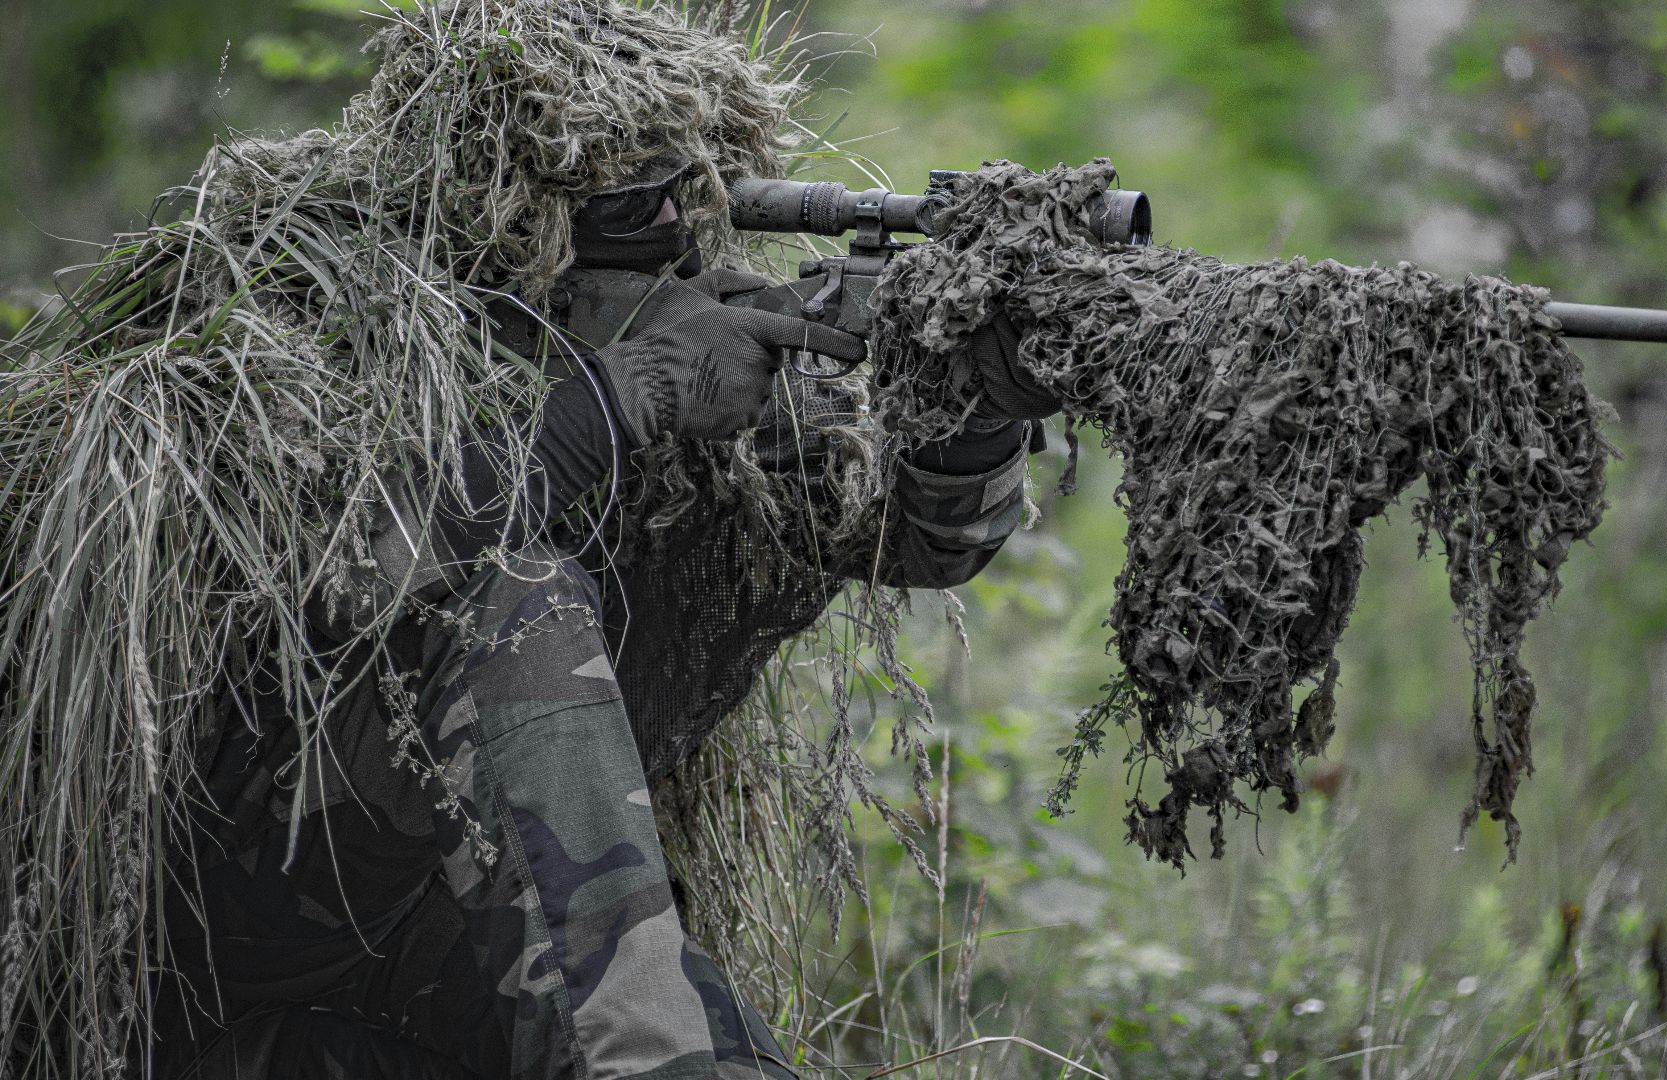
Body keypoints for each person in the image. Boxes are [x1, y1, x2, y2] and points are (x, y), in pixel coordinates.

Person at [150, 142, 1060, 1079]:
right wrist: (622, 397)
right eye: (622, 202)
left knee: (719, 1055)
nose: (669, 224)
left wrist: (970, 410)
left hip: (424, 928)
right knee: (516, 592)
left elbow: (916, 542)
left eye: (685, 195)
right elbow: (348, 579)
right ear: (507, 219)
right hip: (219, 929)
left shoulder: (712, 331)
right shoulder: (346, 318)